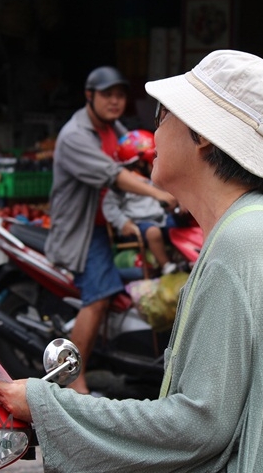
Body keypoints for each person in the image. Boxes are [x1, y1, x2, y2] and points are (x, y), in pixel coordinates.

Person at [0, 50, 263, 472]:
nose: (153, 132)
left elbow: (197, 425)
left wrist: (48, 404)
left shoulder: (241, 244)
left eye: (163, 116)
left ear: (202, 136)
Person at [43, 66, 177, 394]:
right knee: (100, 297)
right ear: (89, 96)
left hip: (115, 226)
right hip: (86, 232)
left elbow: (139, 156)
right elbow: (113, 175)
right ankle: (74, 379)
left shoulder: (114, 128)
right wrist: (160, 193)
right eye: (107, 95)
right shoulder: (75, 135)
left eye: (120, 95)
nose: (115, 102)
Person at [103, 129, 178, 276]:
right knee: (153, 232)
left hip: (160, 218)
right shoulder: (124, 184)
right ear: (138, 163)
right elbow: (108, 205)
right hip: (139, 224)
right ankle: (167, 266)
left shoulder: (152, 177)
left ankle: (183, 258)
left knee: (179, 226)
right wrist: (123, 222)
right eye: (151, 159)